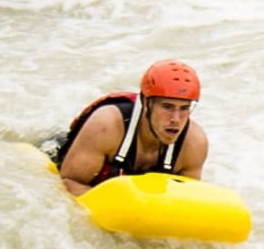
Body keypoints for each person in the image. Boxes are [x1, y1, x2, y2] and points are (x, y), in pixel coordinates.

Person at [53, 60, 210, 197]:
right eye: (167, 107)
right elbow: (69, 183)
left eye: (184, 108)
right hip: (56, 154)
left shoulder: (194, 144)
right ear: (146, 103)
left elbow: (185, 202)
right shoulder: (106, 126)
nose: (176, 119)